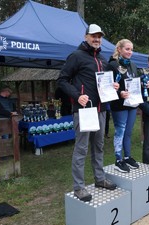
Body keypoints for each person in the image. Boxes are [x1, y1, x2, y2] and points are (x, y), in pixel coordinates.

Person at [56, 24, 118, 202]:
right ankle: (79, 187)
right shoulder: (76, 56)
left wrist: (112, 86)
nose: (97, 39)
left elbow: (103, 83)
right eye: (93, 36)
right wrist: (77, 96)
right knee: (81, 149)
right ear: (86, 37)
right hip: (84, 111)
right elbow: (62, 80)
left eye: (99, 36)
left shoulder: (103, 59)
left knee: (98, 147)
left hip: (101, 110)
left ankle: (99, 179)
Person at [107, 39, 140, 173]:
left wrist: (143, 85)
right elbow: (107, 86)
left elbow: (135, 82)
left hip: (132, 103)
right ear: (119, 49)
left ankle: (127, 157)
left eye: (131, 49)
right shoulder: (112, 65)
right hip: (119, 104)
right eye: (127, 49)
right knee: (120, 131)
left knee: (128, 132)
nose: (130, 52)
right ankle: (118, 160)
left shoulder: (133, 64)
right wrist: (120, 92)